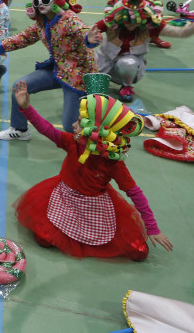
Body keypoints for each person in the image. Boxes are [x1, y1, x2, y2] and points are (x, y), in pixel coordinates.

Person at [13, 73, 172, 260]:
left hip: (93, 205)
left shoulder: (113, 162)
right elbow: (46, 129)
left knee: (139, 253)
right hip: (65, 198)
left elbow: (135, 192)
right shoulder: (72, 142)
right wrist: (26, 108)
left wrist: (153, 228)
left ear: (96, 131)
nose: (73, 125)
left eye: (79, 123)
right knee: (44, 240)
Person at [0, 0, 98, 141]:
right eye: (37, 0)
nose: (40, 4)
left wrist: (89, 39)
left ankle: (88, 145)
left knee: (70, 126)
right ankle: (20, 130)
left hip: (78, 76)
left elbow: (81, 30)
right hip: (57, 69)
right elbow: (24, 37)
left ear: (58, 0)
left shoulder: (68, 19)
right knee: (19, 87)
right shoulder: (42, 22)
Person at [88, 0, 194, 102]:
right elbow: (87, 31)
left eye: (135, 23)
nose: (131, 26)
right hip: (105, 58)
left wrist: (191, 29)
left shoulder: (150, 26)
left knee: (128, 63)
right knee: (90, 77)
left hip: (129, 63)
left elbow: (180, 33)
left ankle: (126, 86)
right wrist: (88, 38)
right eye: (127, 22)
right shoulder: (110, 22)